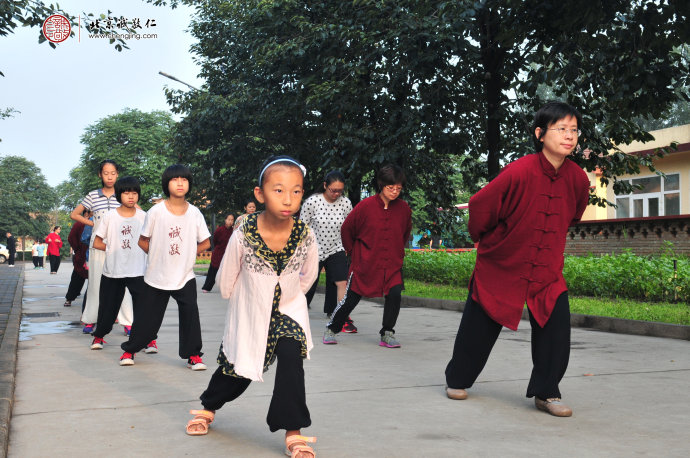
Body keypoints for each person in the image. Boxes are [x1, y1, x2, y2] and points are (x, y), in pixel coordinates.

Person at [443, 101, 590, 417]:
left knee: (556, 328)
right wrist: (488, 243)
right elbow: (480, 206)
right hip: (503, 263)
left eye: (574, 130)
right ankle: (457, 378)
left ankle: (547, 393)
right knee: (478, 327)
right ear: (539, 133)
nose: (569, 136)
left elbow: (573, 215)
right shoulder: (519, 171)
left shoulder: (578, 179)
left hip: (547, 269)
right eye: (561, 129)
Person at [185, 155, 318, 458]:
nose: (288, 199)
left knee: (291, 358)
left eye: (296, 191)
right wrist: (239, 303)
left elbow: (309, 274)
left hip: (288, 309)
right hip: (250, 309)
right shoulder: (243, 231)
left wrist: (291, 296)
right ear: (260, 194)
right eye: (279, 190)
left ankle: (294, 430)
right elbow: (228, 273)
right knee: (238, 370)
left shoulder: (304, 234)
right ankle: (208, 405)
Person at [119, 164, 211, 369]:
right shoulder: (156, 212)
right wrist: (157, 257)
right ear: (166, 183)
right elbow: (143, 241)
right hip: (157, 275)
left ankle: (193, 355)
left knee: (190, 313)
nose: (180, 183)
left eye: (184, 179)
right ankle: (130, 349)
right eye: (175, 179)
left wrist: (188, 253)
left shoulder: (195, 213)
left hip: (184, 276)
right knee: (147, 317)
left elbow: (205, 242)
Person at [323, 164, 412, 348]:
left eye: (398, 188)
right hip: (365, 262)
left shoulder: (404, 209)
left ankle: (387, 332)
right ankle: (332, 328)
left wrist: (397, 251)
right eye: (390, 188)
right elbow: (347, 229)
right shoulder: (366, 206)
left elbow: (405, 233)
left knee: (394, 294)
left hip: (392, 263)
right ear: (381, 185)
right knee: (352, 298)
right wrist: (352, 252)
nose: (395, 192)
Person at [70, 160, 133, 335]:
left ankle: (128, 322)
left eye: (113, 173)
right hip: (97, 246)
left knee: (123, 285)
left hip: (119, 248)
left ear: (117, 174)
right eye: (106, 173)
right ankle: (90, 320)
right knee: (95, 284)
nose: (110, 176)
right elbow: (74, 214)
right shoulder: (92, 196)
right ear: (100, 174)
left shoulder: (123, 195)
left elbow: (137, 212)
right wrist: (92, 222)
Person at [90, 177, 150, 352]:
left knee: (144, 309)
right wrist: (113, 249)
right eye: (126, 193)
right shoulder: (110, 216)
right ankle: (99, 336)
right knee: (108, 307)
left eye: (134, 193)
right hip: (113, 271)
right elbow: (97, 242)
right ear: (119, 195)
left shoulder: (144, 216)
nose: (131, 196)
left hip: (138, 270)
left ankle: (148, 340)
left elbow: (150, 242)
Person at [301, 170, 356, 331]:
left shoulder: (345, 203)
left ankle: (341, 317)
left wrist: (349, 246)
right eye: (333, 190)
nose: (336, 194)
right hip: (313, 248)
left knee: (341, 282)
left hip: (337, 247)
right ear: (325, 186)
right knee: (308, 283)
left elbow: (349, 226)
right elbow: (301, 227)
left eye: (340, 190)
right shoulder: (312, 202)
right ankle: (296, 313)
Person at [201, 214, 234, 293]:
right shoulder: (219, 230)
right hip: (219, 252)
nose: (230, 221)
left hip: (228, 253)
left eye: (232, 220)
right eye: (228, 219)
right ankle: (207, 287)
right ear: (225, 220)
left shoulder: (233, 231)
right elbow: (214, 240)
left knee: (229, 271)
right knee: (213, 270)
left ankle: (228, 288)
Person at [64, 210, 91, 306]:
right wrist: (78, 249)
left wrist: (77, 249)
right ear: (86, 214)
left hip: (83, 254)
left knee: (77, 277)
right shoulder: (80, 224)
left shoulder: (80, 224)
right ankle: (70, 298)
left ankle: (69, 299)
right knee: (78, 277)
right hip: (83, 255)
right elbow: (71, 238)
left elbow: (71, 238)